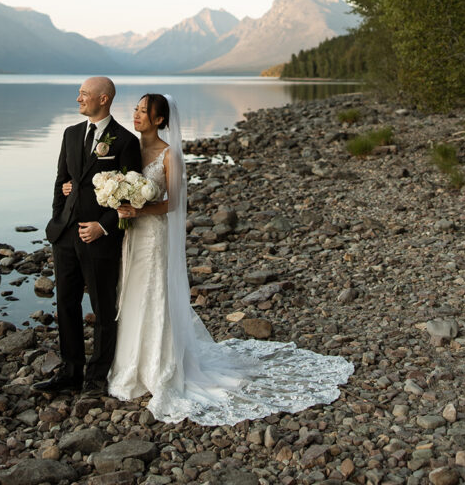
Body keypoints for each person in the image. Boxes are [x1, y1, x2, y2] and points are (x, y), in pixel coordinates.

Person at [107, 93, 354, 425]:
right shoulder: (129, 150)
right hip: (133, 234)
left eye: (143, 112)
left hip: (154, 234)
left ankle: (159, 367)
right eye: (135, 110)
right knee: (132, 290)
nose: (135, 115)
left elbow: (174, 204)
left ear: (160, 120)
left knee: (154, 292)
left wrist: (140, 207)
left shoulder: (169, 156)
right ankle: (128, 364)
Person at [40, 76, 141, 395]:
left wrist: (103, 226)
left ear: (104, 99)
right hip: (66, 234)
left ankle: (97, 376)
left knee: (103, 306)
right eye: (79, 94)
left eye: (84, 94)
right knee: (65, 303)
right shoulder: (70, 134)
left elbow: (130, 194)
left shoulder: (125, 141)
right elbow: (62, 181)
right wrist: (57, 219)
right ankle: (71, 371)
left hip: (99, 237)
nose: (78, 99)